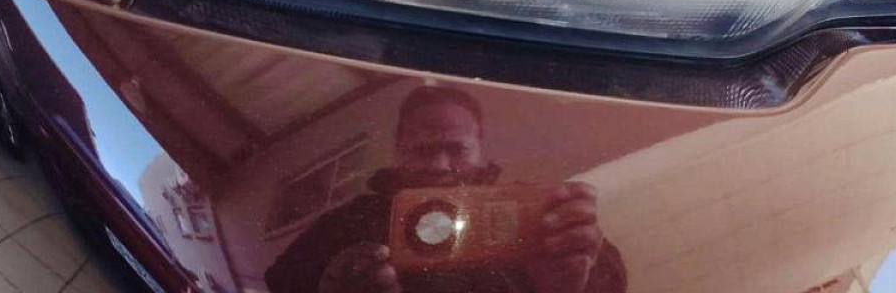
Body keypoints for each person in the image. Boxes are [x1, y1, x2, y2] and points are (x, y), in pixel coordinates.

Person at [265, 86, 627, 293]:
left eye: (456, 149)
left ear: (480, 147)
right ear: (399, 149)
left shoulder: (532, 207)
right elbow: (279, 280)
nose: (439, 164)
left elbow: (613, 282)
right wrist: (333, 280)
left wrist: (579, 274)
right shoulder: (347, 221)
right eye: (423, 150)